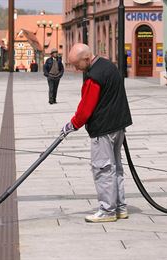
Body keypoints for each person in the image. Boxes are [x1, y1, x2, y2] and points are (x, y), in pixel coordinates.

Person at [62, 43, 133, 223]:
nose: (77, 69)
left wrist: (72, 124)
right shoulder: (108, 65)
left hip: (103, 129)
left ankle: (107, 210)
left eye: (77, 64)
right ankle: (120, 207)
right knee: (115, 167)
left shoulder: (94, 77)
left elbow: (86, 108)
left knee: (103, 169)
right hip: (118, 125)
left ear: (86, 59)